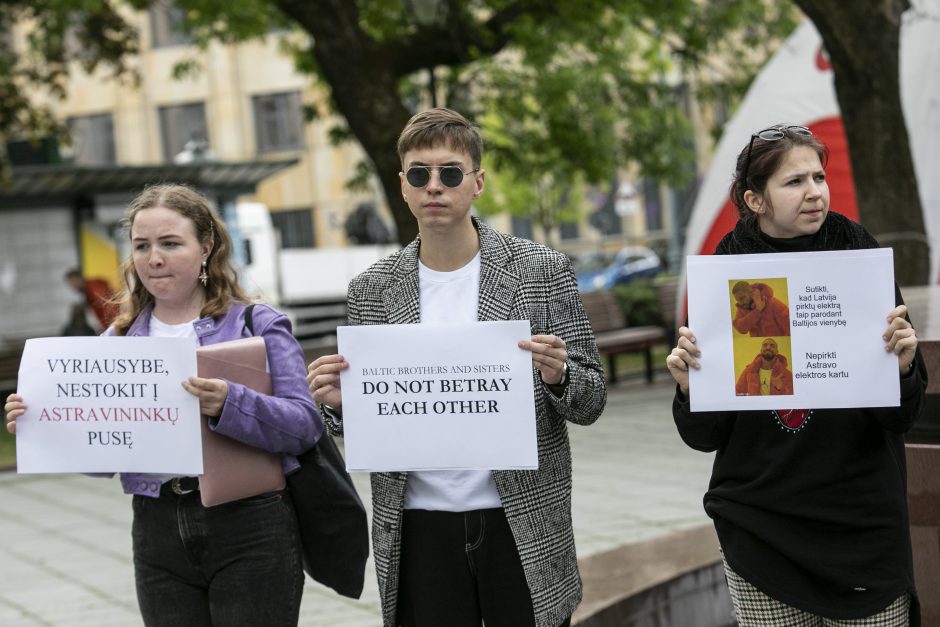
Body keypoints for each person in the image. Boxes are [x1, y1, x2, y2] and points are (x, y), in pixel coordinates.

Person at [306, 108, 607, 627]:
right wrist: (336, 405)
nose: (434, 187)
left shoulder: (540, 271)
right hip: (417, 523)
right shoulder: (372, 289)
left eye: (450, 172)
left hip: (521, 518)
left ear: (478, 182)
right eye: (419, 175)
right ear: (402, 186)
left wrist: (559, 376)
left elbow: (592, 399)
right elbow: (367, 415)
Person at [6, 184, 322, 626]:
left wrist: (230, 402)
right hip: (156, 527)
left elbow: (305, 426)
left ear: (206, 248)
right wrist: (45, 426)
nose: (154, 258)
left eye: (170, 244)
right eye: (142, 246)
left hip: (250, 523)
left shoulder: (257, 324)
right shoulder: (116, 340)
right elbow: (104, 459)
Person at [666, 124, 926, 625]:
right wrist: (689, 389)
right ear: (754, 199)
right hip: (762, 530)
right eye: (794, 181)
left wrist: (904, 367)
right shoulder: (728, 267)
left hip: (861, 529)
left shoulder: (857, 253)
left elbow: (903, 417)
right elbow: (706, 436)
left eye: (819, 177)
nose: (814, 192)